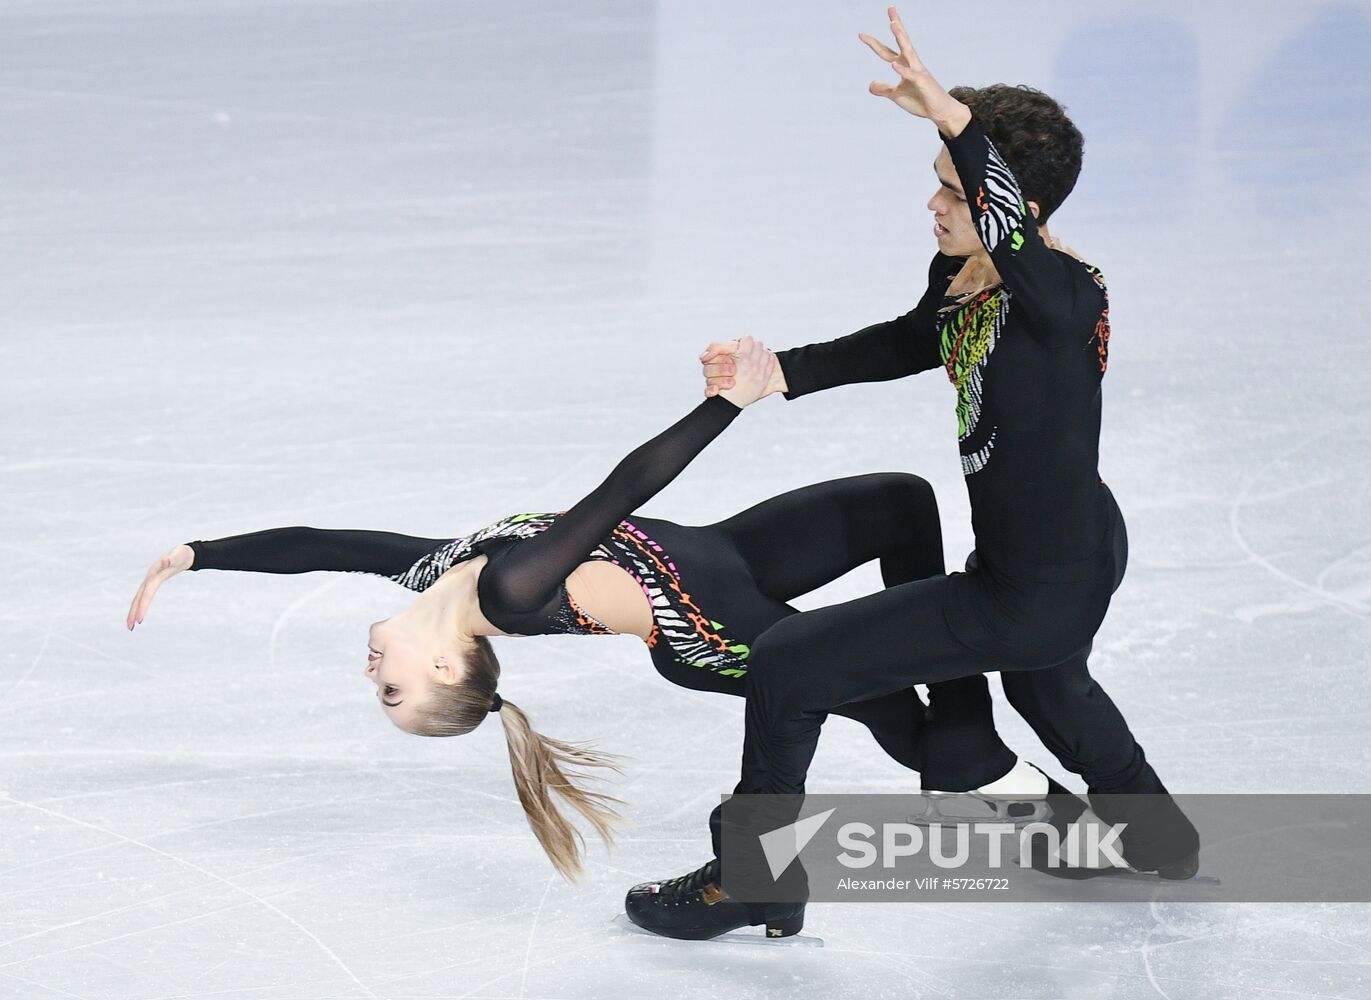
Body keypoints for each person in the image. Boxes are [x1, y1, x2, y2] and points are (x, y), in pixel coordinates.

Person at [624, 6, 1199, 941]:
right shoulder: (964, 277)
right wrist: (783, 373)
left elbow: (1008, 231)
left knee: (787, 663)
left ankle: (755, 878)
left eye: (953, 190)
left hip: (1032, 584)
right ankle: (1157, 837)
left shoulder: (1059, 294)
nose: (933, 204)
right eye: (934, 184)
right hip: (1067, 547)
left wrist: (959, 125)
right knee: (1048, 689)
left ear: (1016, 206)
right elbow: (911, 339)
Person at [127, 336, 1043, 882]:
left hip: (730, 552)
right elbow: (618, 489)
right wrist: (726, 403)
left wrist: (197, 556)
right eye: (391, 696)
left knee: (900, 502)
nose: (374, 680)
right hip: (723, 635)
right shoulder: (508, 593)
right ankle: (1000, 782)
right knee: (902, 726)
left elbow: (321, 546)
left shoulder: (438, 574)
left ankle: (965, 731)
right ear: (448, 670)